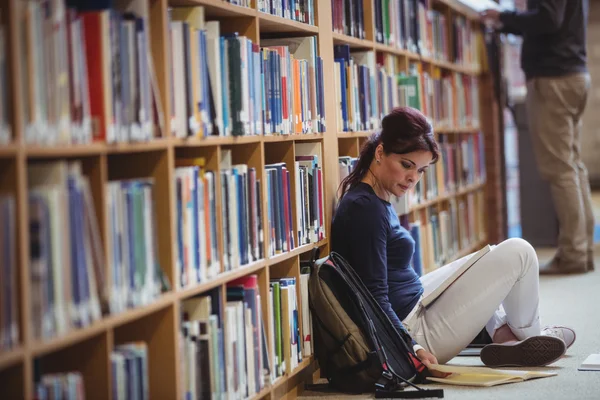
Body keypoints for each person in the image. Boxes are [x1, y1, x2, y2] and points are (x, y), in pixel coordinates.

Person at [330, 107, 576, 376]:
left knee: (486, 259)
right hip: (413, 330)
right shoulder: (365, 209)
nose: (413, 178)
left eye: (421, 171)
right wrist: (412, 347)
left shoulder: (374, 195)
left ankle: (506, 337)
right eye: (406, 165)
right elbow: (373, 298)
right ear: (380, 152)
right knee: (521, 252)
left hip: (415, 303)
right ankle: (529, 335)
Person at [481, 0, 594, 274]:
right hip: (572, 74)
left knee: (561, 170)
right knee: (572, 167)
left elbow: (548, 20)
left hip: (553, 78)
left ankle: (574, 254)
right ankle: (582, 249)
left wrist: (505, 18)